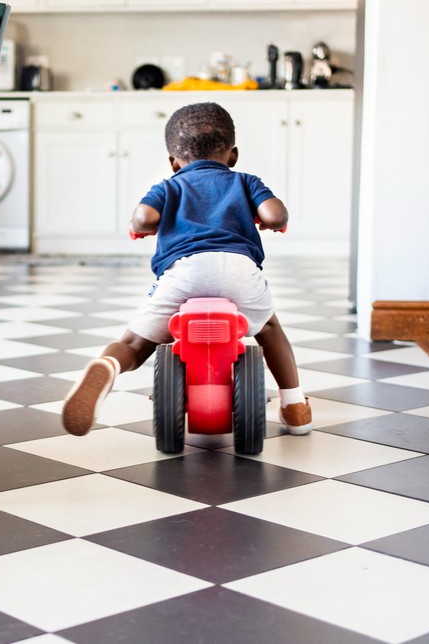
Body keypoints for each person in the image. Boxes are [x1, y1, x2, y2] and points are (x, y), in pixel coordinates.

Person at [62, 101, 312, 438]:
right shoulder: (245, 181)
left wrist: (144, 227)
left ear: (173, 162)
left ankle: (107, 367)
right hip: (239, 271)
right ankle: (294, 406)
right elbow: (275, 216)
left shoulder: (169, 186)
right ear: (233, 155)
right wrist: (264, 220)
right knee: (269, 328)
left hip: (184, 274)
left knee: (135, 342)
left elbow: (143, 218)